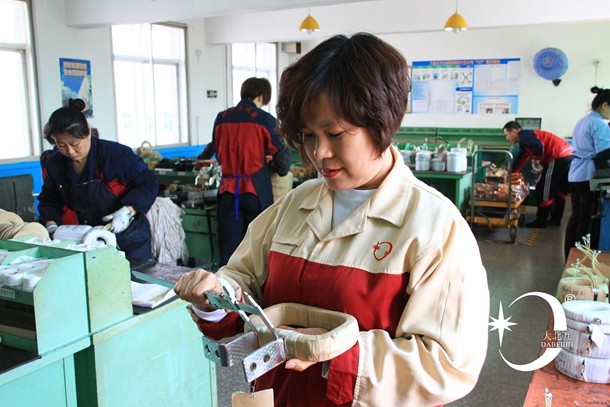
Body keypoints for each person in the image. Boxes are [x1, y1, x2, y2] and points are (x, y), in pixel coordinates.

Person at [174, 33, 489, 407]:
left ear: (381, 123)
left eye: (335, 134)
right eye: (308, 135)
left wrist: (339, 353)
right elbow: (242, 280)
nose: (318, 152)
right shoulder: (295, 205)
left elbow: (448, 365)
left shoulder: (434, 227)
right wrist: (215, 296)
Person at [37, 98, 158, 259]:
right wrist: (51, 226)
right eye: (62, 146)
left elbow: (148, 183)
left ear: (87, 132)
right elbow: (50, 199)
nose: (70, 151)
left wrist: (127, 211)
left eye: (75, 144)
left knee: (136, 275)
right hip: (91, 238)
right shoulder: (57, 163)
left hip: (130, 237)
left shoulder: (115, 155)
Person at [203, 77, 291, 266]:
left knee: (228, 252)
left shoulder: (222, 117)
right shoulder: (265, 119)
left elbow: (215, 149)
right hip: (255, 192)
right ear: (260, 97)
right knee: (258, 250)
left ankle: (225, 284)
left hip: (227, 193)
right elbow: (283, 162)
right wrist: (273, 166)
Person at [564, 87, 610, 259]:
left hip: (576, 174)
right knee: (587, 221)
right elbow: (603, 153)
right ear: (605, 105)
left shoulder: (583, 121)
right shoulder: (599, 124)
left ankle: (570, 257)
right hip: (588, 176)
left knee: (576, 218)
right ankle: (581, 260)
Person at [502, 121, 573, 228]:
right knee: (560, 189)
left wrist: (536, 159)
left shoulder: (524, 136)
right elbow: (521, 159)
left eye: (507, 135)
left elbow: (538, 145)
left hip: (557, 156)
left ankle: (541, 220)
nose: (507, 138)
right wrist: (510, 172)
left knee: (543, 188)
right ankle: (556, 219)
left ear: (514, 131)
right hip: (568, 155)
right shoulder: (525, 142)